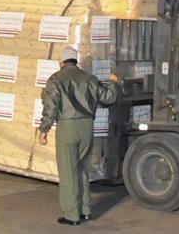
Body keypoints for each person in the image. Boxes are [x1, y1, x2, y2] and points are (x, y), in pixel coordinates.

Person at [37, 46, 120, 226]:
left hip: (67, 127)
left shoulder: (55, 79)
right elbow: (108, 97)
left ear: (61, 62)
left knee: (68, 171)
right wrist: (113, 82)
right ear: (76, 61)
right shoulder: (89, 78)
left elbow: (50, 108)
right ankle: (85, 210)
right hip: (87, 126)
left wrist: (44, 130)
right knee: (82, 168)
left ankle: (71, 215)